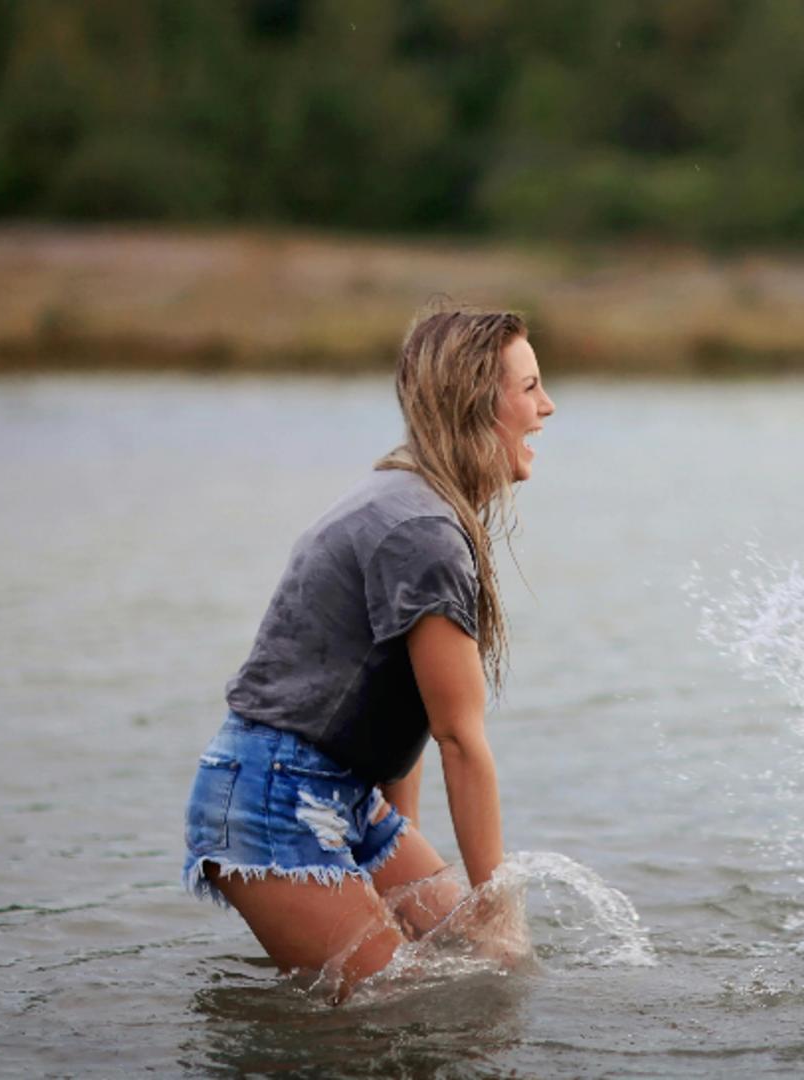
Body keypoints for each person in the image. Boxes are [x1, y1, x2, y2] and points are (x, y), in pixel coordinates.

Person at [182, 309, 553, 996]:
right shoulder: (423, 531)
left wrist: (404, 873)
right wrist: (496, 906)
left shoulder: (417, 502)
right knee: (406, 1007)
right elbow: (459, 737)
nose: (546, 407)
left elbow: (399, 710)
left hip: (341, 793)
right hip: (274, 795)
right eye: (529, 388)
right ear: (477, 401)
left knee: (482, 974)